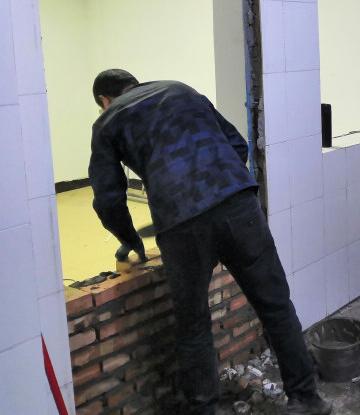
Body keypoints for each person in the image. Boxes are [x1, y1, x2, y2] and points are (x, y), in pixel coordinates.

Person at [88, 69, 332, 415]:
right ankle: (307, 399)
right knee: (275, 306)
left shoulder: (107, 121)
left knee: (194, 326)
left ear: (103, 100)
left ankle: (205, 410)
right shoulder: (180, 90)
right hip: (238, 205)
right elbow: (237, 144)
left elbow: (109, 200)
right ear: (134, 83)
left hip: (180, 224)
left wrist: (132, 241)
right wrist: (220, 185)